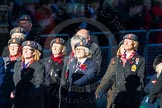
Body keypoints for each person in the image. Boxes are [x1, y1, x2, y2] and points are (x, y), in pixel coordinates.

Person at [95, 33, 145, 108]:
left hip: (131, 98)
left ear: (134, 44)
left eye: (129, 41)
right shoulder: (118, 60)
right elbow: (112, 76)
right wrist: (102, 89)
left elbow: (141, 80)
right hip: (117, 96)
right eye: (125, 41)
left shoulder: (140, 60)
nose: (126, 43)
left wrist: (137, 97)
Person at [13, 40, 44, 108]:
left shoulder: (38, 65)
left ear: (34, 52)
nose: (25, 51)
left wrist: (28, 95)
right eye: (24, 49)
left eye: (28, 49)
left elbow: (38, 83)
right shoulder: (17, 64)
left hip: (31, 101)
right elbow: (15, 80)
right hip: (18, 100)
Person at [67, 40, 98, 108]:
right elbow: (69, 79)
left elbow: (88, 77)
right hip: (72, 99)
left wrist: (73, 85)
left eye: (80, 49)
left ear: (86, 51)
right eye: (76, 49)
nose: (77, 51)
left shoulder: (93, 64)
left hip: (86, 99)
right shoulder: (71, 64)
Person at [95, 40, 125, 108]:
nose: (124, 48)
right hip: (113, 93)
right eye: (122, 46)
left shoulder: (135, 61)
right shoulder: (114, 60)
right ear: (119, 49)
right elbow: (107, 76)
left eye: (126, 47)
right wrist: (99, 89)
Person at [43, 38, 66, 108]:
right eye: (53, 46)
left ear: (62, 49)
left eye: (57, 46)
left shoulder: (65, 61)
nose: (54, 48)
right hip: (47, 92)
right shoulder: (45, 61)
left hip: (59, 92)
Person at [1, 38, 23, 108]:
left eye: (15, 46)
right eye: (11, 46)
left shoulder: (24, 61)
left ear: (20, 48)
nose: (12, 49)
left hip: (18, 94)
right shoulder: (3, 61)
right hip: (3, 94)